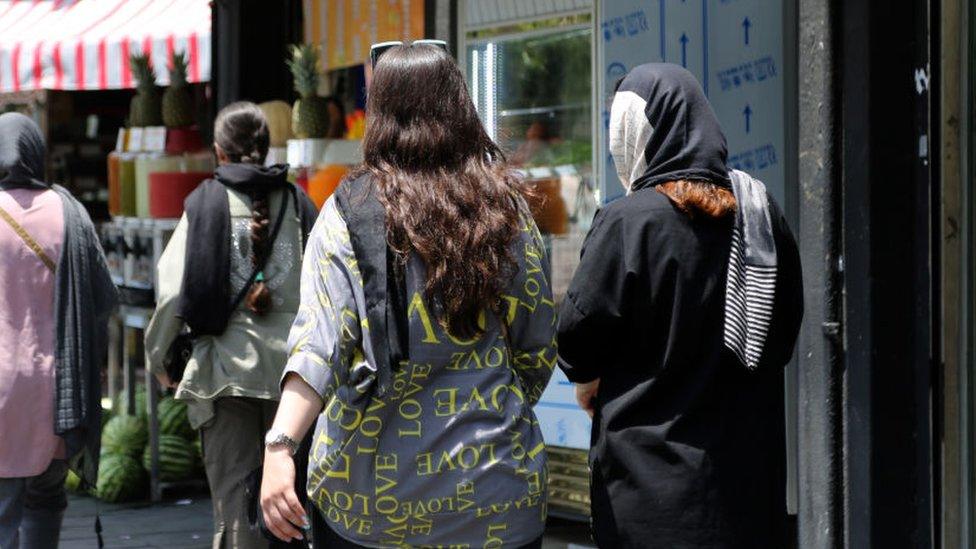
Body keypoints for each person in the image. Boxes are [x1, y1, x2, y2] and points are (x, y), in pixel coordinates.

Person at [259, 43, 557, 548]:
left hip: (372, 504)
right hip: (498, 495)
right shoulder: (505, 209)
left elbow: (319, 345)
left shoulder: (347, 212)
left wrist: (281, 445)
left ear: (380, 112)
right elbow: (538, 348)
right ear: (459, 104)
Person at [556, 64, 804, 548]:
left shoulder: (629, 222)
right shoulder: (761, 214)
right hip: (747, 490)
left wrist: (589, 382)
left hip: (647, 497)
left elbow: (577, 338)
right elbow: (784, 330)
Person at [145, 101, 318, 548]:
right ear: (266, 148)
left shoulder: (206, 203)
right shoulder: (299, 203)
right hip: (297, 382)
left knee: (237, 512)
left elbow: (170, 296)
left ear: (219, 152)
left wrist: (160, 359)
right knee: (295, 510)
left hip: (226, 377)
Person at [0, 112, 117, 548]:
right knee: (46, 500)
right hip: (58, 394)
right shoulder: (71, 212)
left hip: (3, 395)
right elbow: (103, 298)